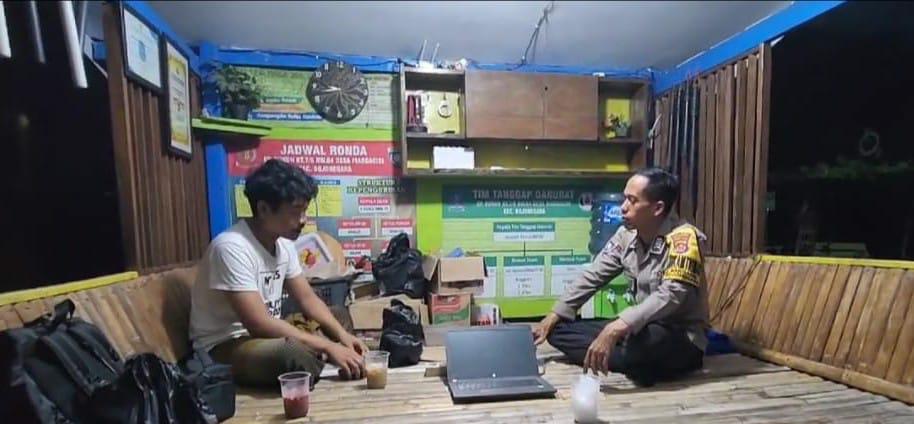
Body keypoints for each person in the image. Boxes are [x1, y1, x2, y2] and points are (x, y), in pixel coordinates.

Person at [189, 159, 368, 387]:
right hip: (225, 346)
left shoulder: (283, 244)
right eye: (295, 212)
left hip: (265, 335)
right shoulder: (231, 247)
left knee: (338, 316)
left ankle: (319, 359)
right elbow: (259, 324)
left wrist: (342, 337)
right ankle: (317, 359)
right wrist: (328, 346)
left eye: (304, 211)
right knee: (291, 353)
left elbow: (307, 299)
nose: (303, 220)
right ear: (264, 209)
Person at [533, 167, 709, 386]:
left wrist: (617, 327)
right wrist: (554, 314)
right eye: (625, 198)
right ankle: (624, 359)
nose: (623, 207)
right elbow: (593, 276)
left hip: (677, 335)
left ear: (657, 208)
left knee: (643, 342)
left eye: (632, 201)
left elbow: (670, 295)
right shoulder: (626, 236)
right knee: (558, 331)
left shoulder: (684, 239)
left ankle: (622, 357)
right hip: (637, 329)